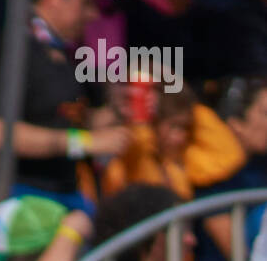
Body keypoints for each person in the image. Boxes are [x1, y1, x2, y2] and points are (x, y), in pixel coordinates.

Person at [0, 0, 131, 248]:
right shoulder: (8, 48)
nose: (93, 14)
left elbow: (74, 117)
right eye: (86, 2)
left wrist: (122, 109)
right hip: (11, 197)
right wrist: (84, 142)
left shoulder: (69, 55)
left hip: (65, 197)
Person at [101, 83, 246, 201]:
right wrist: (143, 109)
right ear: (154, 124)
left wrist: (187, 101)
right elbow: (138, 139)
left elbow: (230, 155)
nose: (180, 136)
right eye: (173, 126)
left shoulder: (181, 160)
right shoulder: (131, 161)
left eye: (185, 128)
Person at [193, 78, 267, 261]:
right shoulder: (213, 171)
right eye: (265, 113)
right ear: (236, 124)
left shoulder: (260, 167)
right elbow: (235, 252)